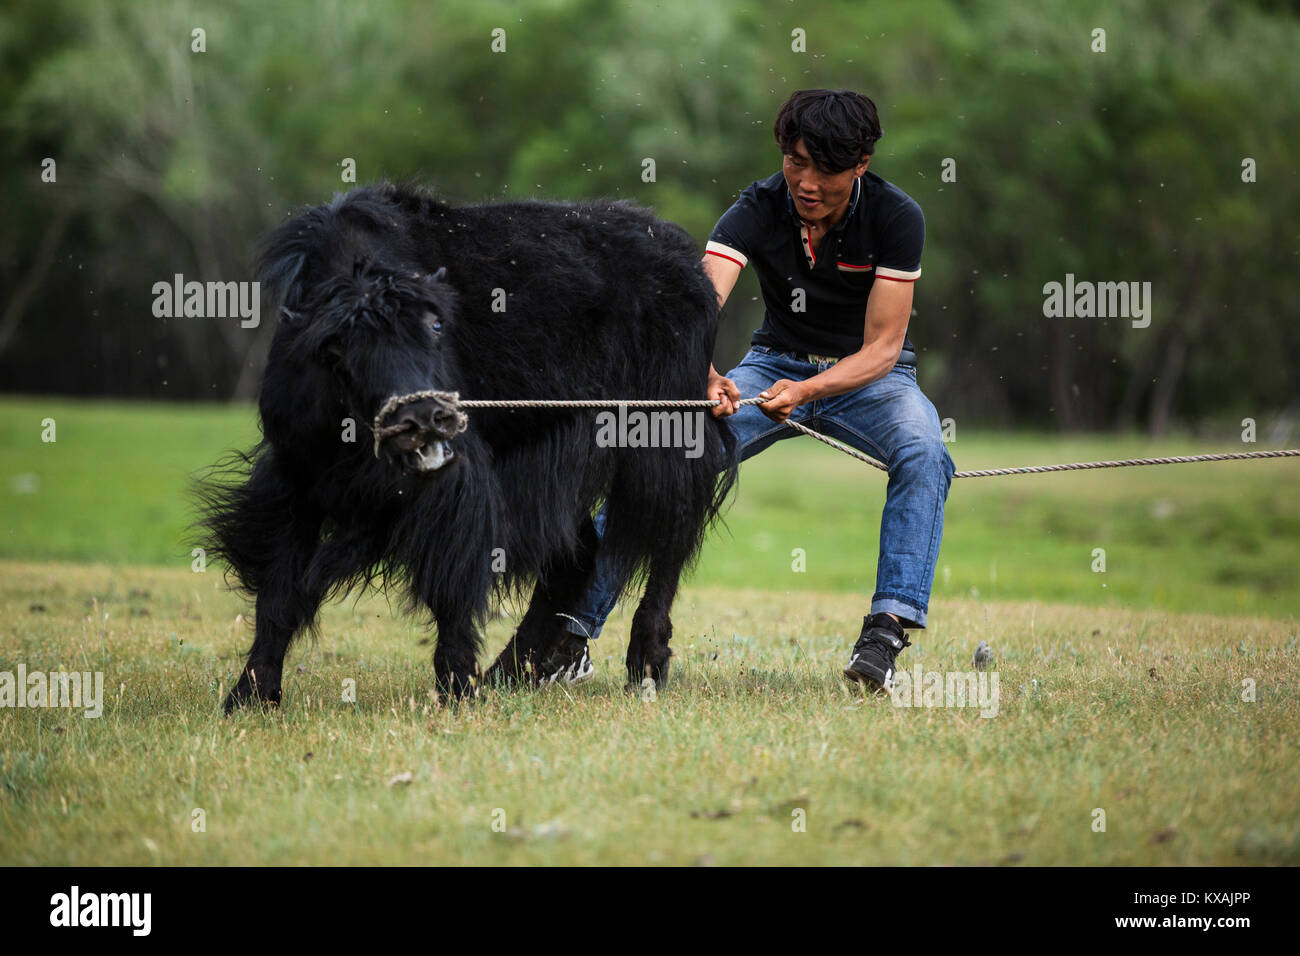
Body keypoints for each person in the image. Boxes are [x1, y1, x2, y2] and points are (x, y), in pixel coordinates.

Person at [540, 88, 956, 693]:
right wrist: (702, 372)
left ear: (860, 164)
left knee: (926, 452)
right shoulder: (756, 208)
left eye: (825, 168)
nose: (806, 182)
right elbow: (695, 307)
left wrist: (810, 389)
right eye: (795, 161)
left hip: (871, 378)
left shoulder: (897, 217)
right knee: (671, 452)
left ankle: (884, 633)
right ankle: (570, 633)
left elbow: (884, 348)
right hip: (770, 366)